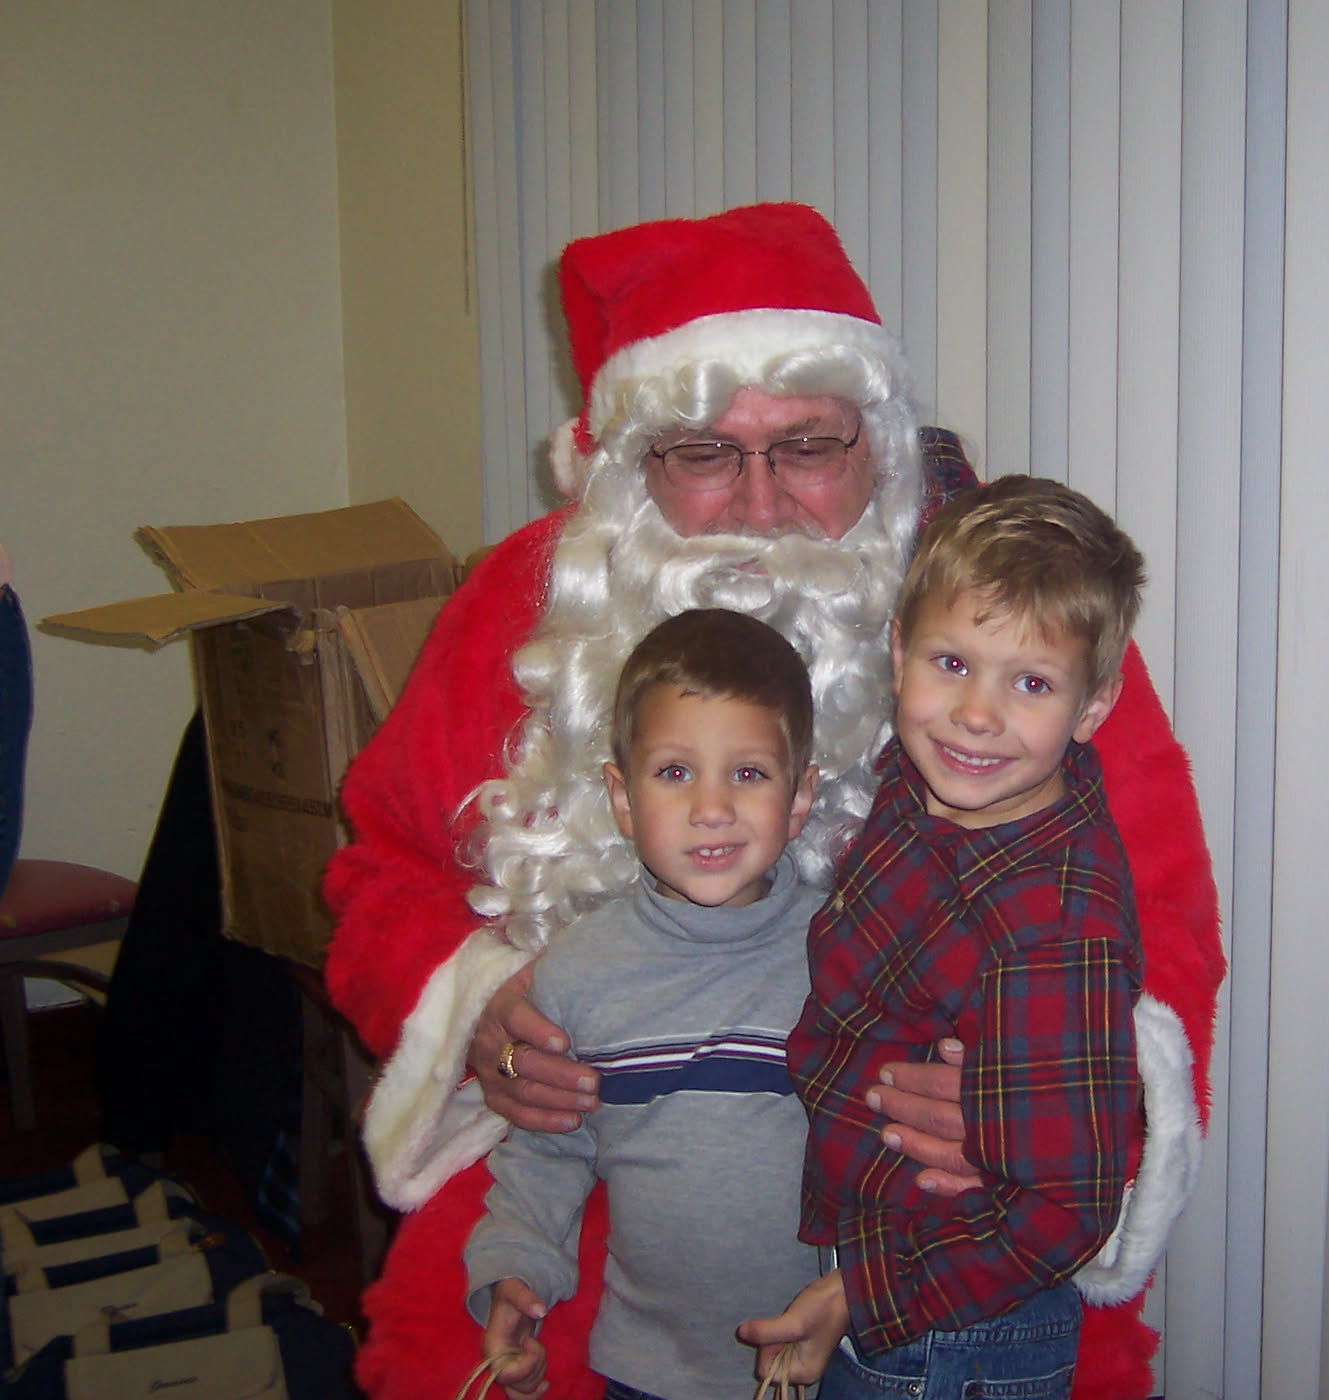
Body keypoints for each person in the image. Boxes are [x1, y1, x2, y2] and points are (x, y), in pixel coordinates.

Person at [323, 202, 1223, 1400]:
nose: (757, 504)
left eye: (806, 447)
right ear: (629, 463)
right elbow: (380, 871)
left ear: (878, 441)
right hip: (587, 1192)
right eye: (702, 454)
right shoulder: (521, 611)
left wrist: (1037, 1096)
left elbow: (1164, 925)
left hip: (926, 1208)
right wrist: (480, 1007)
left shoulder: (1010, 630)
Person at [742, 476, 1144, 1398]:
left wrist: (864, 1293)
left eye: (1031, 683)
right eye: (952, 662)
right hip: (882, 1259)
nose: (976, 714)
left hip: (957, 1330)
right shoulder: (924, 775)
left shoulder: (1054, 930)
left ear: (1092, 708)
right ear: (899, 653)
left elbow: (1064, 1208)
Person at [467, 609, 825, 1400]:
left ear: (800, 796)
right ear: (622, 798)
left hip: (826, 1365)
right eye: (674, 773)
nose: (711, 808)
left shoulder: (845, 956)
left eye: (748, 774)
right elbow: (546, 1152)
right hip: (646, 1371)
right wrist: (515, 1274)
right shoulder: (577, 973)